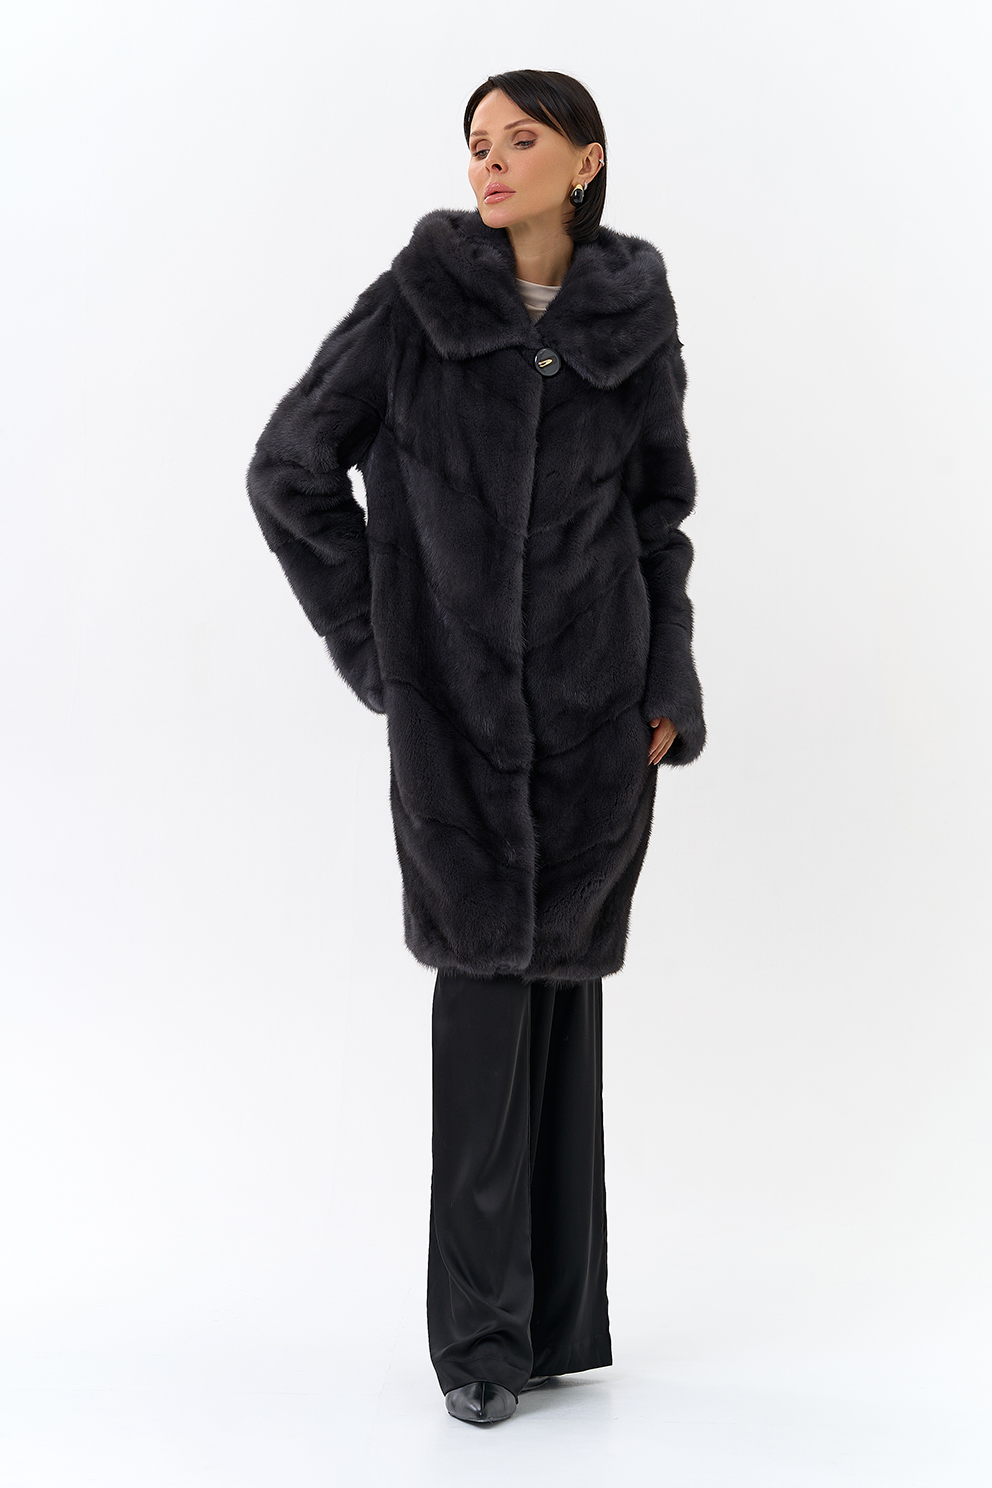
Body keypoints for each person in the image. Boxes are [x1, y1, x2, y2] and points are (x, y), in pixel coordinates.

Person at [245, 69, 706, 1427]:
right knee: (483, 1015)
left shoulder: (632, 313)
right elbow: (290, 469)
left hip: (598, 720)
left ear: (585, 162)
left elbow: (658, 518)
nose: (490, 162)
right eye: (476, 144)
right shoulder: (419, 302)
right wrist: (384, 649)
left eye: (521, 139)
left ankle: (552, 1326)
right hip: (457, 731)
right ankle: (481, 1350)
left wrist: (666, 678)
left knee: (561, 1010)